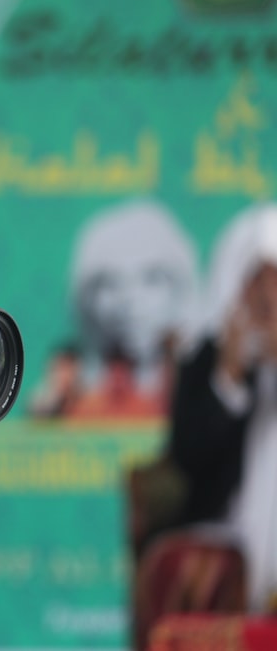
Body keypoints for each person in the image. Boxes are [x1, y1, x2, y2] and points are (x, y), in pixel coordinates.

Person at [164, 205, 277, 613]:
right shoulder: (206, 359)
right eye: (259, 286)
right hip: (220, 550)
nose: (268, 301)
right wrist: (229, 378)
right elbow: (185, 458)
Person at [64, 198, 198, 421]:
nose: (129, 300)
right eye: (109, 283)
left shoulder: (198, 391)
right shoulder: (78, 403)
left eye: (152, 279)